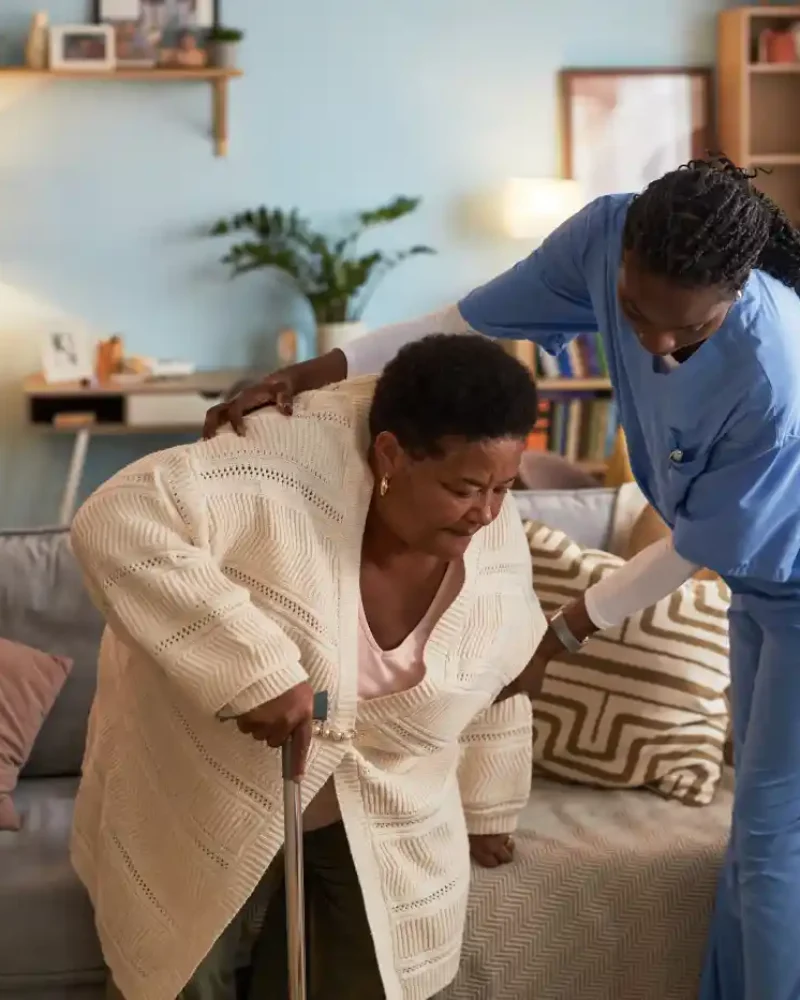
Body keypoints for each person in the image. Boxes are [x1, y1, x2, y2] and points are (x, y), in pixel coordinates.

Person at [205, 156, 800, 1000]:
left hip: (787, 577)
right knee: (757, 837)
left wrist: (561, 636)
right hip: (761, 581)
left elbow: (693, 543)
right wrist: (315, 371)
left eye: (686, 333)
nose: (653, 345)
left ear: (735, 294)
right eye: (632, 313)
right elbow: (463, 320)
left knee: (780, 838)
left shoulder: (776, 373)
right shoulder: (605, 233)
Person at [69, 333, 545, 1000]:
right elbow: (115, 520)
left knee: (369, 980)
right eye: (465, 488)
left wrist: (490, 801)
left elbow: (499, 654)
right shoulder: (276, 463)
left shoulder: (491, 520)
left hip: (380, 804)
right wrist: (254, 671)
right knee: (181, 982)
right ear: (391, 455)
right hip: (213, 785)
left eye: (505, 487)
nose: (488, 511)